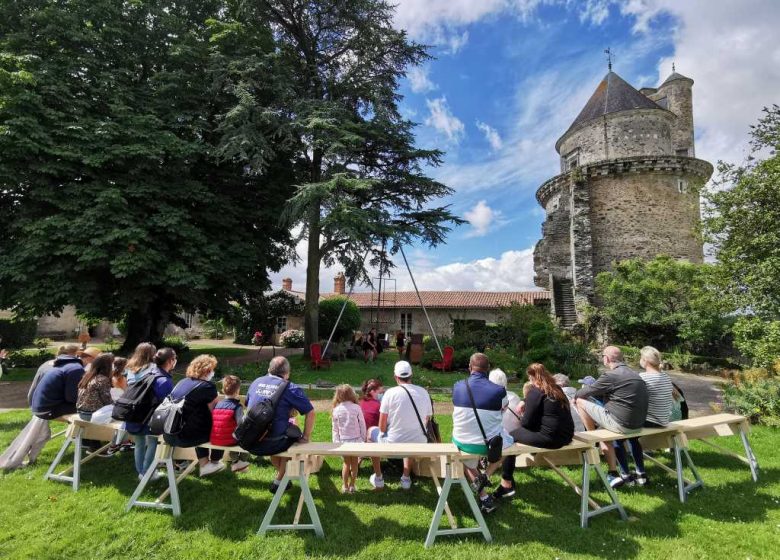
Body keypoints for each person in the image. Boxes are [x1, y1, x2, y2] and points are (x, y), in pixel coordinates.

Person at [494, 364, 575, 500]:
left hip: (551, 439)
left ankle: (506, 482)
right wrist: (525, 401)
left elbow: (526, 423)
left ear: (531, 378)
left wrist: (523, 413)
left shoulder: (535, 392)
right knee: (523, 433)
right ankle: (508, 480)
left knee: (510, 437)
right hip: (567, 435)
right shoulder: (556, 389)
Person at [575, 346, 649, 488]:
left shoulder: (610, 375)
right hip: (638, 424)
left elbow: (585, 392)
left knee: (579, 401)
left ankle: (593, 439)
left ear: (607, 358)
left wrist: (576, 396)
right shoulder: (635, 374)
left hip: (622, 424)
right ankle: (622, 472)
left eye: (603, 356)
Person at [245, 356, 315, 494]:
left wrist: (284, 411)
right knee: (294, 436)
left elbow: (250, 405)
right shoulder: (290, 388)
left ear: (269, 369)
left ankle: (282, 478)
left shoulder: (256, 382)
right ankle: (280, 480)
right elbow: (311, 412)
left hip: (252, 438)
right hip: (271, 442)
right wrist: (306, 437)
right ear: (287, 373)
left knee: (277, 431)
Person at [451, 353, 509, 513]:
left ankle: (483, 494)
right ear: (488, 369)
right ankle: (486, 477)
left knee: (466, 459)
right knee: (511, 443)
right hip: (489, 445)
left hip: (462, 443)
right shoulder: (500, 391)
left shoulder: (457, 386)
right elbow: (503, 409)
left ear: (470, 368)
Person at [613, 346, 675, 486]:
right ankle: (641, 473)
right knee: (632, 437)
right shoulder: (665, 376)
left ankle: (625, 475)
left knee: (616, 438)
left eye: (641, 358)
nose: (639, 360)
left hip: (651, 421)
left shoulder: (643, 378)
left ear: (645, 361)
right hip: (663, 419)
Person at [367, 361, 432, 491]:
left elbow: (382, 427)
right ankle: (406, 478)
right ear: (411, 375)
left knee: (370, 432)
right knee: (411, 434)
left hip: (393, 442)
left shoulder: (390, 393)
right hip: (419, 442)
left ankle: (379, 478)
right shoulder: (424, 392)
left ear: (395, 377)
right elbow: (427, 420)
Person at [163, 354, 222, 477]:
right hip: (186, 437)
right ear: (207, 371)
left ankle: (204, 463)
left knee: (198, 419)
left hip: (169, 432)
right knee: (220, 425)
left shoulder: (182, 382)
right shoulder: (207, 386)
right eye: (212, 370)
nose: (213, 372)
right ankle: (214, 462)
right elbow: (216, 412)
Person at [125, 347, 176, 480]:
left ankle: (141, 472)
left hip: (135, 415)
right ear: (171, 361)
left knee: (140, 443)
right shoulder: (164, 381)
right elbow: (166, 405)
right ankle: (146, 473)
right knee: (152, 443)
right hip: (149, 418)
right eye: (174, 358)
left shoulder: (147, 372)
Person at [30, 346, 98, 419]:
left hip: (40, 407)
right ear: (90, 359)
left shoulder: (66, 365)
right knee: (96, 409)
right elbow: (72, 398)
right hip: (48, 410)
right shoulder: (75, 369)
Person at [209, 375, 251, 473]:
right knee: (248, 437)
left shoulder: (218, 404)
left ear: (223, 389)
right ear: (237, 391)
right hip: (229, 441)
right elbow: (241, 424)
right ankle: (239, 461)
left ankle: (236, 461)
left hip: (215, 439)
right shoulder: (237, 407)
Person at [332, 384, 367, 493]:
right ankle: (352, 485)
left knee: (346, 463)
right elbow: (362, 424)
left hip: (343, 442)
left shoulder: (336, 410)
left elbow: (335, 429)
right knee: (354, 463)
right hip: (356, 440)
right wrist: (363, 437)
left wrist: (336, 442)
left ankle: (345, 486)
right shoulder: (356, 407)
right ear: (352, 394)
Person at [359, 378, 384, 482]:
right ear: (373, 391)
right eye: (380, 392)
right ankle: (378, 475)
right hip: (370, 439)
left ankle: (358, 459)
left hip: (358, 437)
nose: (382, 394)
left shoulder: (359, 403)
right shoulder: (379, 405)